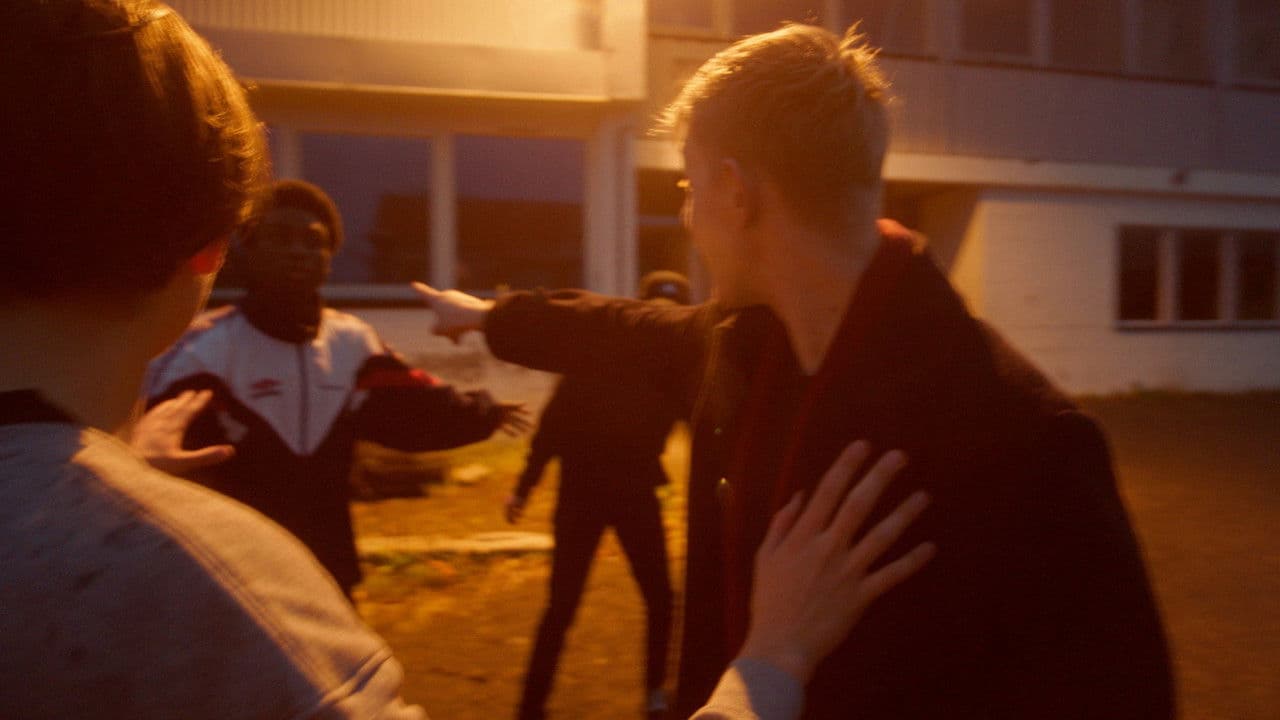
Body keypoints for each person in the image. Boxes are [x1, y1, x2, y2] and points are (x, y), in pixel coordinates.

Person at [0, 3, 934, 718]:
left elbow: (430, 392)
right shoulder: (221, 600)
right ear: (213, 245)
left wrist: (486, 361)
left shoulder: (319, 366)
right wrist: (772, 661)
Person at [415, 21, 1175, 720]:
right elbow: (617, 329)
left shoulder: (1031, 444)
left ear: (735, 192)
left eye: (689, 187)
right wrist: (486, 317)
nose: (686, 216)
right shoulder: (740, 346)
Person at [141, 178, 529, 598]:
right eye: (281, 237)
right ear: (248, 251)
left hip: (329, 568)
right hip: (237, 574)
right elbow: (151, 443)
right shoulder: (205, 351)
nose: (298, 251)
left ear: (328, 260)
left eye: (313, 242)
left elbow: (411, 405)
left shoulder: (351, 343)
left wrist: (483, 413)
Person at [507, 271, 692, 720]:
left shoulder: (676, 374)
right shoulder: (595, 356)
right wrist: (525, 487)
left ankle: (656, 696)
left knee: (661, 599)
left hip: (636, 496)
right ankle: (531, 706)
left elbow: (708, 429)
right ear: (641, 310)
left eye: (672, 312)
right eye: (656, 309)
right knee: (562, 604)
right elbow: (551, 429)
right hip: (581, 497)